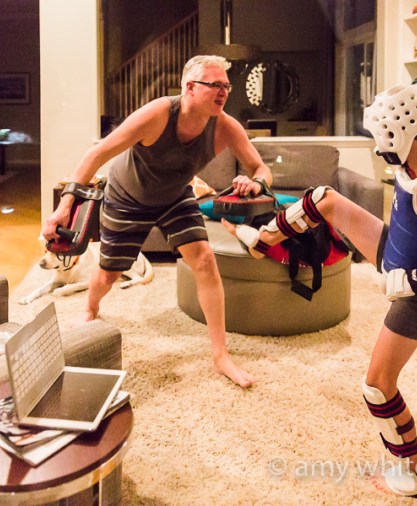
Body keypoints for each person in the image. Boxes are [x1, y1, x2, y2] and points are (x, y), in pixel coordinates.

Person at [222, 83, 417, 499]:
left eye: (380, 135)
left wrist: (415, 284)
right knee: (324, 199)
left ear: (400, 132)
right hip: (398, 253)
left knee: (378, 386)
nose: (377, 146)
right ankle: (263, 241)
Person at [43, 55, 273, 388]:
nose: (223, 92)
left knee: (205, 261)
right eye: (215, 85)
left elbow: (260, 168)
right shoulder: (158, 114)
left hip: (175, 196)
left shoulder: (225, 126)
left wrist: (257, 183)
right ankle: (90, 310)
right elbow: (97, 153)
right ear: (190, 87)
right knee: (109, 274)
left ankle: (220, 355)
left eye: (226, 86)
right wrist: (65, 206)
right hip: (127, 196)